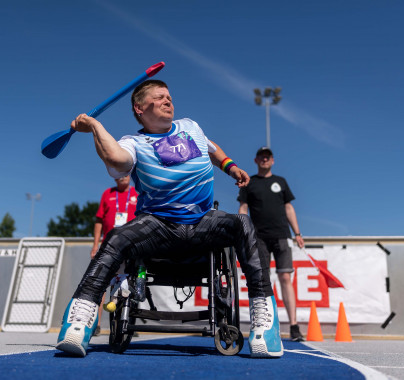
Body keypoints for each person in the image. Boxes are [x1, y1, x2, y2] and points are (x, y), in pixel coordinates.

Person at [56, 79, 283, 358]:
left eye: (170, 97)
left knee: (244, 224)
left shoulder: (191, 126)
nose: (168, 101)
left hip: (202, 222)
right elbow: (117, 161)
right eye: (160, 97)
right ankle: (80, 320)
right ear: (140, 108)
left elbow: (210, 147)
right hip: (158, 226)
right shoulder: (133, 143)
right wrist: (94, 126)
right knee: (116, 236)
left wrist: (230, 167)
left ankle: (265, 322)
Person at [238, 146, 306, 342]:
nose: (265, 160)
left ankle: (293, 326)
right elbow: (243, 208)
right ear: (256, 160)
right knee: (262, 279)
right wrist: (243, 231)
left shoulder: (280, 182)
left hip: (282, 235)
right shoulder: (250, 184)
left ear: (272, 160)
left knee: (285, 277)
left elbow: (289, 207)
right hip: (258, 237)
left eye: (268, 157)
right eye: (261, 157)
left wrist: (298, 233)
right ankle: (267, 325)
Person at [90, 175, 138, 335]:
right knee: (102, 283)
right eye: (118, 175)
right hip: (108, 245)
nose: (122, 177)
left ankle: (129, 322)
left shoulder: (136, 194)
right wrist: (95, 245)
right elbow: (98, 220)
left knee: (130, 283)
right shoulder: (108, 194)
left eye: (125, 174)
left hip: (130, 246)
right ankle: (95, 323)